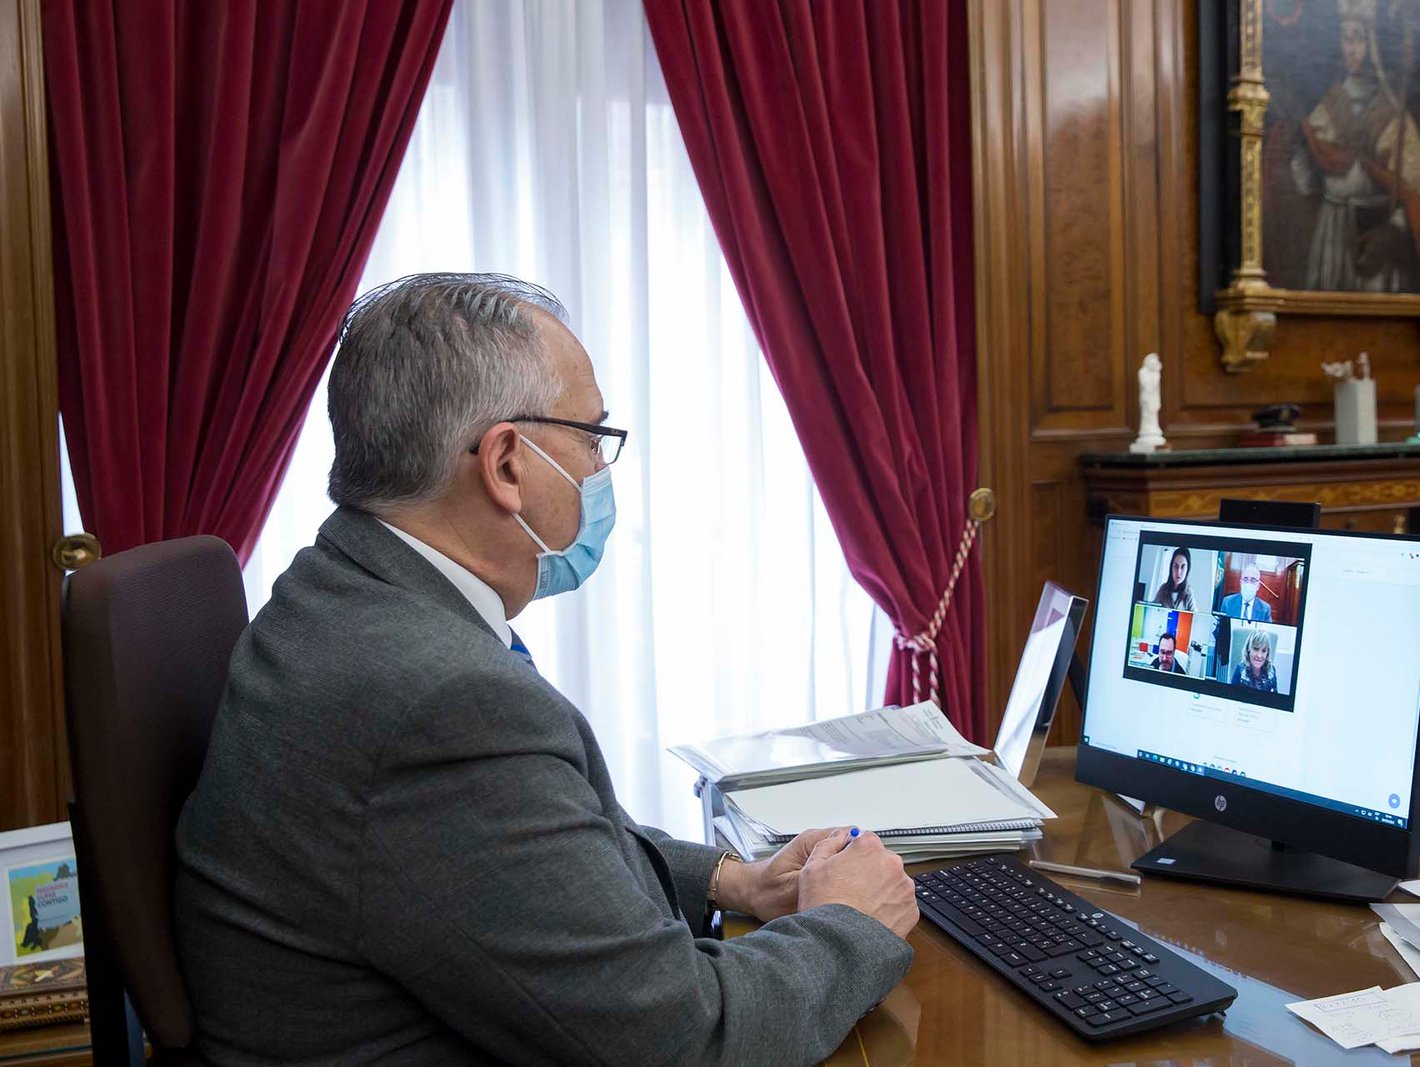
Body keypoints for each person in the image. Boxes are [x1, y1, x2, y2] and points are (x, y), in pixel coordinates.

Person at [173, 274, 918, 1066]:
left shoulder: (340, 586)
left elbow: (529, 861)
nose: (601, 466)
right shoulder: (437, 700)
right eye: (592, 438)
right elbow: (688, 1042)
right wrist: (848, 925)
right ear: (504, 463)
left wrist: (734, 880)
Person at [1286, 0, 1420, 293]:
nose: (1350, 49)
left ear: (1375, 44)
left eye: (1359, 39)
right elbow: (1306, 183)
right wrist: (1302, 150)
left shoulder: (1394, 117)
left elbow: (1416, 195)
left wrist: (1391, 232)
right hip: (1330, 234)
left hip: (1372, 237)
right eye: (1345, 38)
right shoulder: (1328, 107)